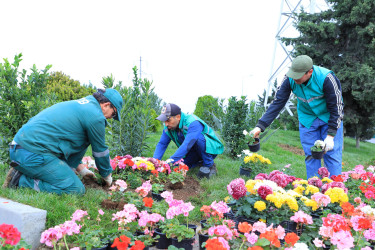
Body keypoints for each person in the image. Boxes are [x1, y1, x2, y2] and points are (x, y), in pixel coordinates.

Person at [2, 88, 123, 195]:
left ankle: (26, 171)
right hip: (31, 153)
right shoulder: (95, 117)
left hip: (22, 147)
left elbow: (74, 139)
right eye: (113, 114)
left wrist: (81, 169)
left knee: (67, 174)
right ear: (106, 105)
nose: (110, 118)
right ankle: (20, 181)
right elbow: (100, 150)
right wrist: (106, 175)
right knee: (74, 189)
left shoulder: (85, 105)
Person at [250, 55, 344, 179]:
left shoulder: (326, 78)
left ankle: (335, 191)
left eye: (298, 75)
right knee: (311, 155)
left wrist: (331, 135)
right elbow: (278, 102)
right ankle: (313, 191)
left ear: (309, 72)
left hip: (329, 118)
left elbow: (336, 107)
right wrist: (260, 126)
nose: (294, 78)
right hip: (307, 119)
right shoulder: (289, 79)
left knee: (331, 155)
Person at [153, 103, 224, 178]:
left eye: (168, 120)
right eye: (164, 121)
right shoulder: (168, 127)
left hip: (210, 149)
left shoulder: (193, 122)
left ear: (178, 117)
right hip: (192, 150)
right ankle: (199, 161)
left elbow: (187, 144)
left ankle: (209, 165)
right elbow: (162, 144)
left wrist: (170, 161)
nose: (166, 124)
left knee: (198, 138)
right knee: (176, 167)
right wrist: (154, 162)